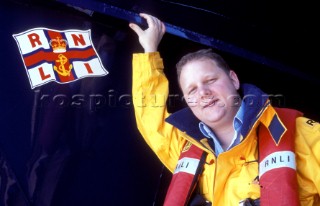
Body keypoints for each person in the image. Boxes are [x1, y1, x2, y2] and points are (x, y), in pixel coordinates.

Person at [129, 13, 320, 206]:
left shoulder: (302, 134)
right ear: (187, 101)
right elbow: (150, 117)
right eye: (192, 90)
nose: (203, 92)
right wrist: (149, 50)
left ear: (234, 79)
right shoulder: (181, 146)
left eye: (210, 80)